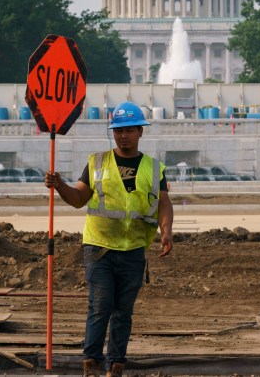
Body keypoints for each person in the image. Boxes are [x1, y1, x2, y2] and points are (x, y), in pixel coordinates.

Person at [45, 101, 173, 377]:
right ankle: (91, 363)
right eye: (118, 131)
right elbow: (79, 198)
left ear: (140, 131)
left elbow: (164, 203)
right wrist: (60, 186)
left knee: (123, 311)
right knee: (100, 306)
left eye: (128, 130)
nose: (122, 136)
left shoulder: (154, 168)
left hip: (133, 250)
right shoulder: (96, 163)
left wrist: (166, 231)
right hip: (99, 248)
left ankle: (116, 364)